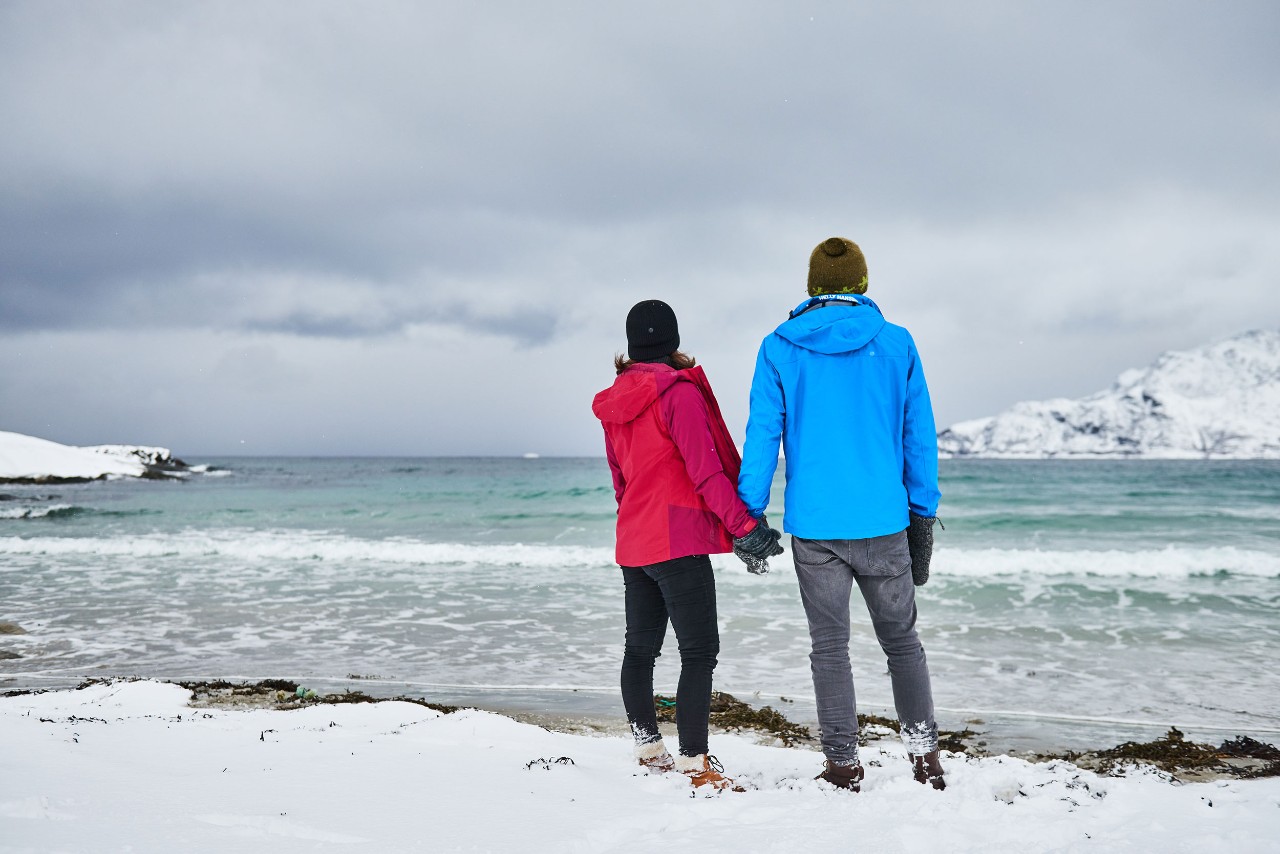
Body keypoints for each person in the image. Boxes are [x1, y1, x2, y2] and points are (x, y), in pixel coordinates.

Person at [737, 237, 946, 792]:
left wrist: (749, 514)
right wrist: (923, 511)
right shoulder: (897, 344)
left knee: (829, 648)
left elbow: (763, 436)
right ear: (862, 284)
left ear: (812, 287)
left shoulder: (779, 347)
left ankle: (842, 764)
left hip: (816, 527)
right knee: (902, 643)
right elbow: (918, 438)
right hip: (883, 521)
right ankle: (924, 757)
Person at [591, 299, 782, 792]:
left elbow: (621, 482)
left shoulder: (617, 401)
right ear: (673, 342)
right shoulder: (678, 395)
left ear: (632, 345)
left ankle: (648, 748)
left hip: (635, 540)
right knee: (699, 653)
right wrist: (745, 527)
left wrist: (636, 524)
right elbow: (707, 473)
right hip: (676, 542)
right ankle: (695, 765)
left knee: (640, 651)